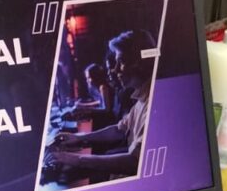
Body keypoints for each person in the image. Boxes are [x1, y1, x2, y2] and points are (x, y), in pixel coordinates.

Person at [49, 29, 156, 178]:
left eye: (121, 62)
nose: (115, 69)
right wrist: (78, 137)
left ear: (139, 63)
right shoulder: (141, 99)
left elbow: (135, 161)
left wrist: (76, 160)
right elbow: (118, 130)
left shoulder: (153, 102)